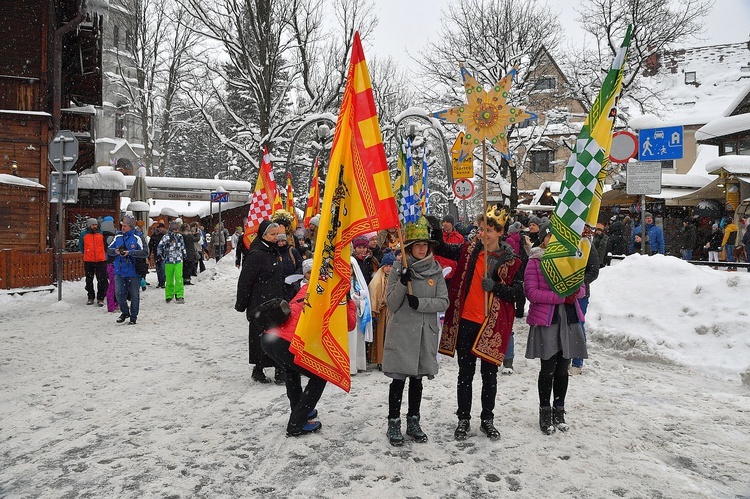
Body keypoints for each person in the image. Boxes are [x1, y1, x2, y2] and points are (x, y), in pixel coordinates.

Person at [433, 207, 524, 441]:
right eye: (481, 229)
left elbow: (518, 294)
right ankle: (463, 418)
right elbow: (443, 248)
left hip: (492, 325)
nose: (483, 234)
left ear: (501, 232)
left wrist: (496, 287)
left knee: (489, 375)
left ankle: (487, 419)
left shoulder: (512, 262)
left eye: (489, 230)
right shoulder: (469, 250)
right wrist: (434, 229)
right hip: (466, 322)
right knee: (465, 373)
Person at [261, 258, 357, 436]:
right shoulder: (336, 296)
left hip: (270, 337)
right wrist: (349, 302)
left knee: (291, 370)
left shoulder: (309, 287)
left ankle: (300, 410)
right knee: (320, 376)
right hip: (287, 342)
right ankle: (297, 423)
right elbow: (350, 324)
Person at [383, 217, 449, 446]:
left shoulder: (436, 271)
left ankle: (413, 421)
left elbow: (443, 302)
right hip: (402, 333)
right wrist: (402, 283)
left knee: (417, 381)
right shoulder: (399, 269)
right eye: (418, 245)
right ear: (409, 247)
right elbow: (390, 303)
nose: (422, 249)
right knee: (399, 381)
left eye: (425, 245)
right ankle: (393, 422)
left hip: (424, 333)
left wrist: (420, 303)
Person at [524, 229, 587, 434]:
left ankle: (559, 409)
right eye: (549, 236)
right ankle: (544, 410)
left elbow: (582, 288)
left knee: (562, 369)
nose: (552, 240)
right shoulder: (535, 261)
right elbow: (532, 292)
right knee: (548, 369)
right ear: (543, 238)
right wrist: (561, 297)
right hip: (547, 320)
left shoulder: (569, 259)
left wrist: (575, 291)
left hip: (568, 319)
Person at [235, 220, 286, 384]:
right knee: (260, 337)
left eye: (277, 234)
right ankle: (258, 369)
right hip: (260, 303)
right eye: (273, 234)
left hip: (275, 302)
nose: (276, 237)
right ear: (263, 235)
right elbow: (245, 281)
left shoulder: (273, 250)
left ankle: (280, 370)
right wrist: (241, 304)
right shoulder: (256, 254)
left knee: (279, 335)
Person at [107, 215, 149, 325]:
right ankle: (125, 312)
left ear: (131, 226)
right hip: (119, 271)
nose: (122, 228)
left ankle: (133, 316)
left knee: (134, 295)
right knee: (119, 293)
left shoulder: (138, 237)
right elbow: (108, 250)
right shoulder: (118, 237)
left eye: (125, 226)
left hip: (134, 271)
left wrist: (130, 252)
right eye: (122, 225)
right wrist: (115, 251)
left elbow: (145, 252)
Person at [570, 243, 599, 375]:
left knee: (577, 325)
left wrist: (578, 282)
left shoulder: (587, 246)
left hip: (580, 294)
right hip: (562, 293)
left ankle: (577, 362)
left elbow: (593, 271)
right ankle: (564, 359)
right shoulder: (562, 241)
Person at [368, 251, 396, 367]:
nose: (389, 269)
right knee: (381, 335)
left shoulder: (396, 278)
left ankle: (391, 360)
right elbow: (373, 294)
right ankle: (380, 359)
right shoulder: (378, 280)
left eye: (391, 266)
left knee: (391, 335)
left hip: (393, 310)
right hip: (381, 311)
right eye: (386, 266)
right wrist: (374, 311)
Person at [79, 217, 108, 306]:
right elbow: (81, 246)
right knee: (89, 280)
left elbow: (105, 245)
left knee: (101, 280)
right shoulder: (83, 235)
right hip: (89, 260)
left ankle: (100, 298)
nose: (94, 226)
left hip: (101, 260)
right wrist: (87, 253)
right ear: (89, 225)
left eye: (95, 224)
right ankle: (90, 297)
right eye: (92, 225)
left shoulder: (101, 234)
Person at [157, 220, 187, 303]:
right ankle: (169, 295)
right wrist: (159, 254)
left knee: (179, 277)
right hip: (168, 260)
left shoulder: (180, 237)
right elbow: (160, 246)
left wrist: (184, 254)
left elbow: (183, 246)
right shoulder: (166, 237)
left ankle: (179, 295)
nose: (176, 231)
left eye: (177, 229)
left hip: (178, 260)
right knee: (169, 279)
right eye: (174, 229)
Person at [433, 214, 465, 286]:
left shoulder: (459, 238)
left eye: (447, 222)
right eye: (443, 222)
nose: (445, 224)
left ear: (452, 224)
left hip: (452, 273)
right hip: (439, 270)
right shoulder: (439, 236)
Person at [100, 216, 119, 312]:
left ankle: (113, 304)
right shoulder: (111, 237)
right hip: (112, 262)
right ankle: (112, 305)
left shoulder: (101, 236)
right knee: (114, 285)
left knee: (112, 284)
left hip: (105, 262)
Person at [277, 232, 303, 300]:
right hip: (280, 283)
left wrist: (295, 276)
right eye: (278, 241)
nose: (281, 243)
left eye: (282, 241)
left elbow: (300, 264)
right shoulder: (275, 253)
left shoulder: (292, 251)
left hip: (293, 283)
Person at [148, 222, 167, 288]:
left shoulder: (166, 235)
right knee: (158, 269)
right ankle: (160, 281)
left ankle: (163, 282)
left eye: (162, 228)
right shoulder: (154, 235)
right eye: (159, 228)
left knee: (162, 268)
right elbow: (150, 245)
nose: (161, 229)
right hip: (156, 253)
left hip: (164, 254)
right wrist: (149, 254)